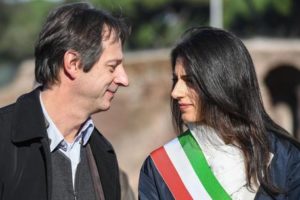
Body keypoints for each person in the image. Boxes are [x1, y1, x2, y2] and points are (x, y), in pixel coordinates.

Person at [138, 27, 300, 200]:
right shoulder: (160, 168)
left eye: (190, 81)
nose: (176, 92)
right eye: (176, 80)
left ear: (221, 83)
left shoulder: (287, 160)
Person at [0, 2, 130, 200]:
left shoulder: (103, 154)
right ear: (73, 64)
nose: (124, 80)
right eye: (112, 67)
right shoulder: (3, 139)